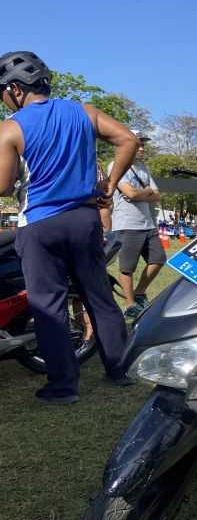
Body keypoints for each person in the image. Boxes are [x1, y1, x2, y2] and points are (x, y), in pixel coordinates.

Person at [0, 51, 139, 404]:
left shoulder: (11, 127)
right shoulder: (84, 111)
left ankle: (62, 387)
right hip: (84, 218)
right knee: (100, 297)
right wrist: (109, 183)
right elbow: (128, 139)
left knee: (48, 305)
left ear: (16, 89)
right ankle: (119, 370)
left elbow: (2, 185)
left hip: (40, 225)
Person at [108, 130, 166, 319]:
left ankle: (140, 293)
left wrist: (140, 193)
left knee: (159, 259)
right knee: (127, 267)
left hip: (147, 224)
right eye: (138, 144)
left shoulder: (144, 168)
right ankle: (130, 304)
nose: (142, 148)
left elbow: (157, 196)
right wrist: (145, 192)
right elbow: (129, 194)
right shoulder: (115, 166)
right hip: (127, 224)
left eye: (143, 144)